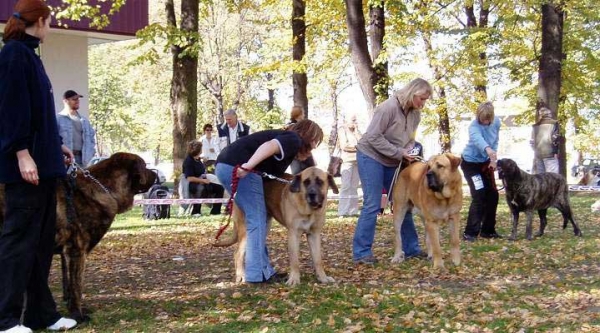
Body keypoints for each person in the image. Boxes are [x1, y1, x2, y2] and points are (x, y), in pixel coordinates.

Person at [0, 1, 78, 332]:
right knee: (18, 243)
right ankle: (5, 319)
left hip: (43, 165)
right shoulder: (15, 55)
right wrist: (21, 153)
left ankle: (40, 314)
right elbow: (11, 109)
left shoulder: (30, 55)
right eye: (51, 22)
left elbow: (37, 113)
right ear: (41, 21)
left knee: (41, 244)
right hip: (25, 169)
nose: (52, 27)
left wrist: (54, 144)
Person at [215, 119, 324, 283]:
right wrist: (247, 166)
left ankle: (264, 271)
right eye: (316, 141)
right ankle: (255, 275)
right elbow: (269, 146)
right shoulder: (293, 139)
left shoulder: (289, 144)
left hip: (228, 164)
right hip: (237, 167)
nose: (315, 146)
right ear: (308, 136)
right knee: (257, 220)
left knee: (260, 221)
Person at [352, 78, 432, 265]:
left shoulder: (415, 114)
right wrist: (398, 152)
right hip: (370, 156)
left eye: (426, 100)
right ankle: (361, 253)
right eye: (421, 98)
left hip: (394, 159)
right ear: (412, 93)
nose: (423, 103)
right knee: (372, 203)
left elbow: (410, 137)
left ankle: (411, 248)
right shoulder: (387, 108)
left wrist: (410, 148)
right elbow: (372, 136)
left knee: (403, 203)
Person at [460, 101, 502, 242]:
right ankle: (470, 232)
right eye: (482, 119)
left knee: (493, 194)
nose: (484, 122)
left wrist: (493, 159)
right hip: (470, 164)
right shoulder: (473, 126)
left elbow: (495, 140)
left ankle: (488, 230)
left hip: (486, 163)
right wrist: (488, 150)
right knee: (479, 194)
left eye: (487, 119)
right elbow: (478, 140)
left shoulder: (496, 122)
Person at [182, 140, 224, 216]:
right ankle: (196, 211)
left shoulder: (197, 159)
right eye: (201, 148)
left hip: (203, 181)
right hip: (192, 184)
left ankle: (216, 211)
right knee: (200, 188)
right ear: (198, 150)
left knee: (220, 188)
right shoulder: (188, 161)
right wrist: (203, 181)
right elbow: (189, 178)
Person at [56, 89, 96, 166]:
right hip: (66, 160)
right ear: (65, 101)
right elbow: (54, 140)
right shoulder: (58, 119)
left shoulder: (84, 121)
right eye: (74, 99)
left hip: (84, 161)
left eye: (78, 99)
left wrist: (91, 153)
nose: (77, 101)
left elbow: (91, 140)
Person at [337, 113, 362, 217]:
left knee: (354, 186)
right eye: (353, 120)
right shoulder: (342, 130)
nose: (355, 122)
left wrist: (356, 131)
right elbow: (344, 146)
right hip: (347, 161)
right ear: (347, 121)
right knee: (346, 186)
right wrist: (357, 148)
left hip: (357, 161)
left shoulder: (357, 131)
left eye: (355, 120)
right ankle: (342, 211)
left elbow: (363, 143)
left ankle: (353, 211)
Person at [286, 106, 315, 174]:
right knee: (307, 175)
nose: (304, 115)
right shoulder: (301, 126)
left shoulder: (287, 126)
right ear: (299, 114)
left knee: (298, 176)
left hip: (293, 156)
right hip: (302, 155)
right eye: (303, 113)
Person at [531, 107, 559, 174]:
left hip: (538, 155)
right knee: (552, 177)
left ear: (540, 115)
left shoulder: (535, 126)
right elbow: (555, 139)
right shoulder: (554, 123)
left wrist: (535, 151)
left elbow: (532, 142)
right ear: (549, 114)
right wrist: (556, 152)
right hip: (550, 154)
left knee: (541, 178)